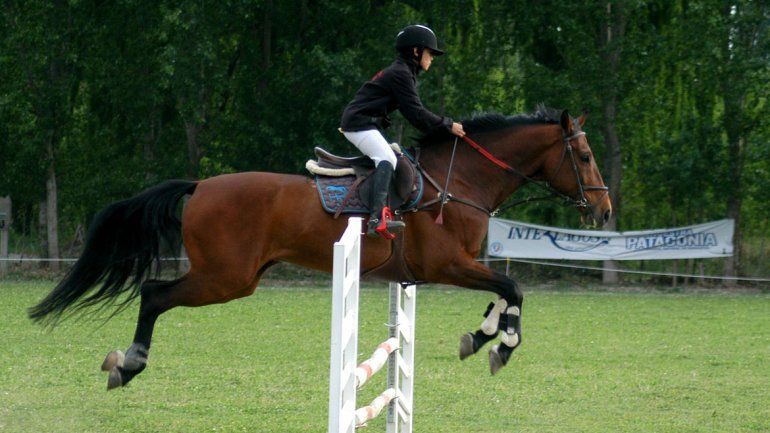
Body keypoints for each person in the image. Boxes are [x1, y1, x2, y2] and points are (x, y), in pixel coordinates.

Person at [340, 24, 465, 239]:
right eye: (430, 53)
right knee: (386, 157)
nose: (432, 58)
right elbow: (416, 114)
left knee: (395, 156)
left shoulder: (403, 72)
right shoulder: (401, 74)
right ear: (416, 51)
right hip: (358, 124)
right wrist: (447, 125)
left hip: (365, 124)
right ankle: (377, 218)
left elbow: (417, 115)